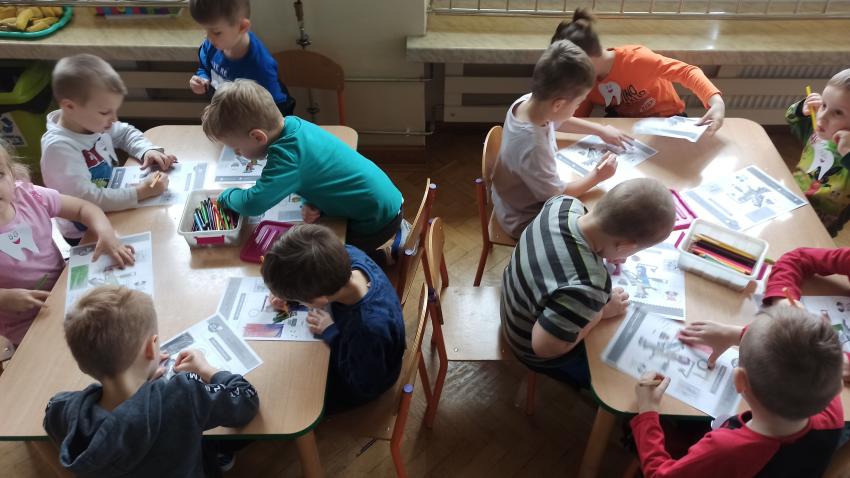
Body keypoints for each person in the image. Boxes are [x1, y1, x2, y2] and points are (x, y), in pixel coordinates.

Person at [44, 286, 260, 477]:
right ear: (151, 347)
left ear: (82, 365)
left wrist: (140, 380)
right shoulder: (184, 395)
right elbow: (246, 401)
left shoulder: (62, 411)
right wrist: (205, 369)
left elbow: (54, 411)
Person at [500, 178, 676, 387]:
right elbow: (544, 348)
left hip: (514, 304)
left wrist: (604, 252)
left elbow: (565, 251)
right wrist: (602, 312)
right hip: (529, 348)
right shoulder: (588, 286)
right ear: (625, 247)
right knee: (617, 379)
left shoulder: (563, 204)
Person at [632, 306, 844, 477]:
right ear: (838, 387)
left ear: (740, 380)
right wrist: (733, 334)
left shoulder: (726, 450)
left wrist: (648, 413)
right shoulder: (832, 412)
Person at [202, 79, 404, 254]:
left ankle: (372, 263)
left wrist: (226, 196)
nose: (237, 153)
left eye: (236, 148)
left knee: (318, 257)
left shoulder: (286, 156)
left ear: (257, 137)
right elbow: (315, 170)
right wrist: (311, 200)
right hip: (384, 203)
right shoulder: (292, 124)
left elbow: (252, 204)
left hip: (373, 223)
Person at [491, 39, 631, 238]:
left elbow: (558, 120)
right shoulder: (533, 147)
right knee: (601, 222)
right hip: (524, 220)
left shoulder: (528, 103)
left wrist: (600, 130)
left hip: (511, 200)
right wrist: (598, 176)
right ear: (558, 105)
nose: (577, 108)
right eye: (578, 104)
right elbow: (557, 195)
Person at [0, 142, 134, 346]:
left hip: (66, 288)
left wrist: (105, 232)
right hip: (24, 322)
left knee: (117, 326)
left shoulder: (29, 196)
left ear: (11, 173)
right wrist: (4, 298)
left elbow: (83, 208)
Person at [261, 224, 405, 413]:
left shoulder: (366, 328)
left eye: (301, 300)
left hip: (367, 379)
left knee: (290, 397)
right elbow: (309, 272)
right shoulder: (347, 255)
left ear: (319, 300)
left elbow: (365, 384)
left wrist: (331, 333)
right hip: (368, 352)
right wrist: (289, 295)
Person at [40, 53, 176, 245]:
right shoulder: (58, 149)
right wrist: (140, 192)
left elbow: (125, 133)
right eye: (105, 112)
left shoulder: (90, 123)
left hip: (112, 202)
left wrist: (146, 150)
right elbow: (88, 200)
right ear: (70, 107)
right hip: (85, 230)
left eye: (115, 111)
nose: (113, 119)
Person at [552, 8, 725, 134]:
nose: (572, 79)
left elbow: (687, 72)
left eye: (572, 71)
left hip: (668, 119)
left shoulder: (637, 59)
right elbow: (573, 119)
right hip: (625, 124)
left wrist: (716, 102)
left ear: (588, 58)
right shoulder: (584, 83)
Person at [188, 0, 295, 115]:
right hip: (227, 111)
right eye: (205, 30)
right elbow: (205, 68)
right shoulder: (212, 45)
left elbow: (276, 111)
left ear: (242, 27)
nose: (208, 38)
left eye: (216, 32)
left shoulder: (261, 68)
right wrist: (202, 78)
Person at [786, 69, 850, 236]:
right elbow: (793, 120)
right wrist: (801, 109)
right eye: (824, 105)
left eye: (838, 112)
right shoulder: (818, 130)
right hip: (791, 199)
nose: (822, 117)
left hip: (822, 222)